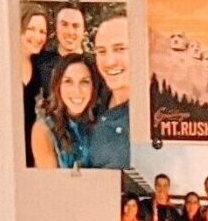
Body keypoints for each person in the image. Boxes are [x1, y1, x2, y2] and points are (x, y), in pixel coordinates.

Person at [29, 54, 101, 171]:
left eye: (84, 82)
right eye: (68, 81)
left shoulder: (100, 122)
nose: (76, 91)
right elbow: (51, 185)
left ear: (93, 87)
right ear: (58, 86)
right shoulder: (44, 129)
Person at [88, 10, 133, 171]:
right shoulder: (90, 102)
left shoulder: (155, 116)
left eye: (120, 49)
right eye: (101, 51)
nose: (110, 61)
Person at [17, 5, 52, 166]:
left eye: (42, 31)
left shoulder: (42, 68)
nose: (37, 36)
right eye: (31, 28)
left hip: (33, 157)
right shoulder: (3, 64)